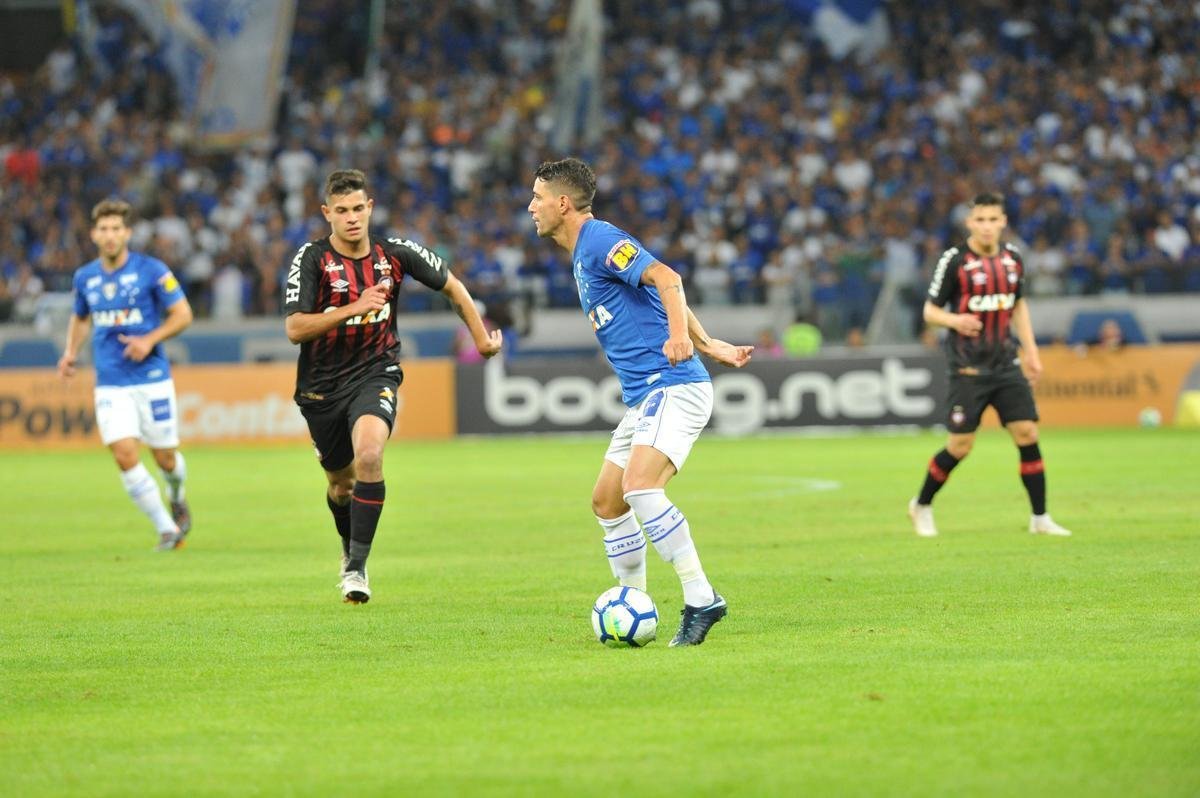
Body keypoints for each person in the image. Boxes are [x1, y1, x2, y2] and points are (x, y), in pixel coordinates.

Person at [527, 157, 754, 647]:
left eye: (538, 198)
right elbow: (660, 295)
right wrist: (710, 341)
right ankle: (636, 602)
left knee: (640, 488)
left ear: (562, 203)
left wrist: (682, 340)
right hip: (646, 396)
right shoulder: (584, 251)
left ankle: (701, 598)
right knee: (607, 502)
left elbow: (668, 279)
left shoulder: (600, 240)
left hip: (671, 387)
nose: (532, 207)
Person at [284, 169, 502, 604]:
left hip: (375, 372)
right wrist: (353, 307)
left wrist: (479, 338)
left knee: (370, 453)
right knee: (341, 486)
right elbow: (295, 328)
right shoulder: (311, 259)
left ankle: (356, 570)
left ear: (370, 208)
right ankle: (349, 549)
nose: (351, 218)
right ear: (327, 213)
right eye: (341, 211)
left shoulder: (394, 253)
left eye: (358, 209)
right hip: (321, 388)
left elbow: (454, 287)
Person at [908, 192, 1072, 538]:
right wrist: (956, 321)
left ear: (1003, 222)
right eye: (979, 220)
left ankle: (1040, 517)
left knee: (1027, 433)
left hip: (1006, 364)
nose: (986, 226)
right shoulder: (954, 260)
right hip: (968, 368)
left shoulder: (1013, 258)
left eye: (992, 219)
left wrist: (1031, 350)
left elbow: (1018, 305)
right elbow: (929, 311)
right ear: (969, 223)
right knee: (961, 446)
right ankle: (921, 504)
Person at [58, 199, 194, 550]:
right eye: (103, 229)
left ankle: (176, 496)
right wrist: (70, 353)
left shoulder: (152, 270)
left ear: (127, 232)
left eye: (116, 228)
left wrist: (148, 340)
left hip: (151, 379)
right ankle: (167, 530)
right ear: (93, 234)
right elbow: (81, 317)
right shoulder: (85, 277)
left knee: (165, 458)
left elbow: (182, 314)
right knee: (123, 454)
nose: (110, 235)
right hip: (111, 382)